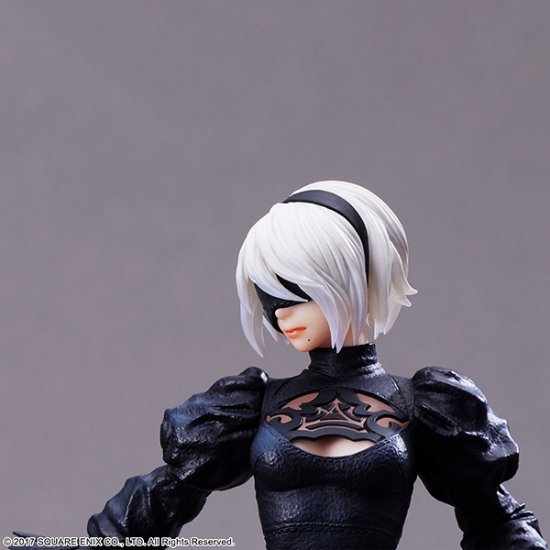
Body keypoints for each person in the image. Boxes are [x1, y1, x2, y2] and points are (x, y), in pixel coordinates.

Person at [23, 181, 548, 549]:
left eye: (296, 293)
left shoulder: (424, 405)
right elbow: (161, 502)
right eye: (268, 297)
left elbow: (494, 520)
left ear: (348, 279)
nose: (279, 314)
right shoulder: (252, 404)